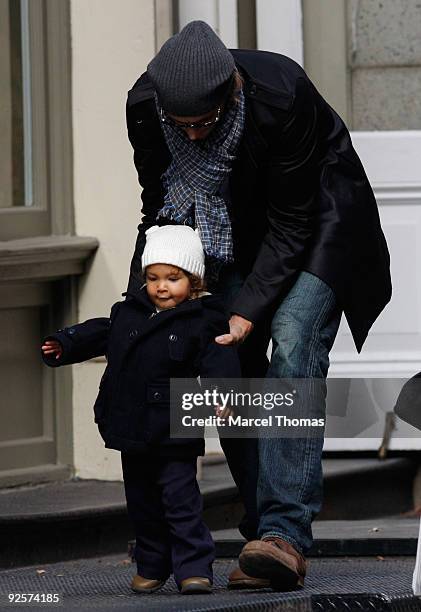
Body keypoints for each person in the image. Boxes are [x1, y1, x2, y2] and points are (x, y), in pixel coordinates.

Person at [125, 21, 392, 590]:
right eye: (183, 125)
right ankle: (262, 535)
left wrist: (249, 308)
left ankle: (286, 535)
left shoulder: (279, 91)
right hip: (228, 235)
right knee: (227, 362)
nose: (192, 137)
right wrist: (142, 302)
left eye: (205, 123)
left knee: (292, 334)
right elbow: (161, 206)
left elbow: (293, 221)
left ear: (234, 93)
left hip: (320, 222)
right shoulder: (147, 106)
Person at [41, 224, 241, 595]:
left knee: (180, 500)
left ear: (193, 280)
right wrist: (65, 343)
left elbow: (218, 358)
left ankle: (193, 566)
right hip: (130, 425)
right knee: (142, 503)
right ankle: (152, 564)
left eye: (173, 278)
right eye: (153, 278)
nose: (161, 286)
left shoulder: (202, 319)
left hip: (174, 426)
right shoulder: (128, 312)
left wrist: (221, 394)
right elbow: (100, 332)